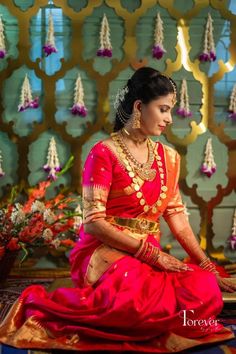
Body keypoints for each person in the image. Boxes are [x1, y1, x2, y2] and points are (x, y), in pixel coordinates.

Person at [0, 67, 235, 352]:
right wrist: (153, 256)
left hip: (151, 257)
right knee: (134, 300)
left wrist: (207, 266)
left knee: (204, 288)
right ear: (139, 107)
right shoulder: (104, 153)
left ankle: (148, 318)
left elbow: (177, 218)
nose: (170, 119)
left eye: (170, 110)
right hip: (106, 253)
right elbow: (94, 223)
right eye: (163, 109)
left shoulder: (169, 158)